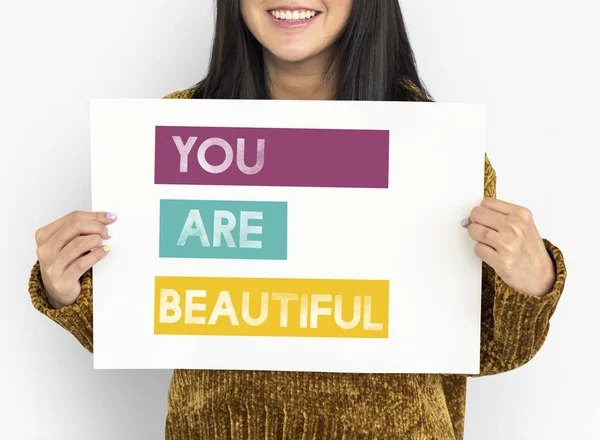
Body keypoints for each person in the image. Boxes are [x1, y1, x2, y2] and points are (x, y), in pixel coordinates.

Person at [29, 1, 567, 439]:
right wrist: (66, 287)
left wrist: (532, 280)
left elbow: (488, 349)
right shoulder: (172, 129)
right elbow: (150, 326)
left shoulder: (435, 147)